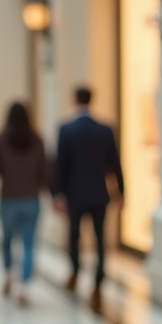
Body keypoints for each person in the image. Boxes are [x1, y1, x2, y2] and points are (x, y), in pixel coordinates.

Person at [53, 86, 124, 307]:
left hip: (75, 194)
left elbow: (60, 165)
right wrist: (121, 192)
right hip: (99, 193)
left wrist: (57, 193)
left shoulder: (66, 129)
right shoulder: (105, 129)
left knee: (74, 236)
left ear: (75, 100)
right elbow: (115, 164)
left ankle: (75, 271)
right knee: (100, 238)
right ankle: (98, 282)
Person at [0, 101, 49, 306]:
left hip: (8, 199)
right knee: (29, 243)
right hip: (31, 199)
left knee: (7, 240)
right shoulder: (37, 140)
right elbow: (44, 170)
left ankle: (9, 273)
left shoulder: (1, 139)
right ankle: (24, 286)